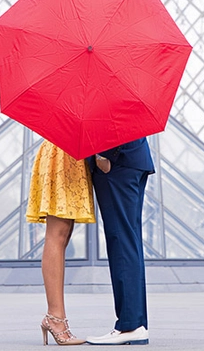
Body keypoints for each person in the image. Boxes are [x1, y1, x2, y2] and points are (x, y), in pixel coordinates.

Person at [86, 137, 154, 346]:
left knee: (121, 242)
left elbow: (111, 113)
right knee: (129, 241)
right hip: (132, 158)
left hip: (116, 163)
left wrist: (103, 153)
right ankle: (136, 322)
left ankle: (129, 325)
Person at [26, 139, 95, 346]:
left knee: (62, 236)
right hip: (62, 156)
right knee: (57, 235)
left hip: (68, 156)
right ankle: (55, 318)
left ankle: (56, 317)